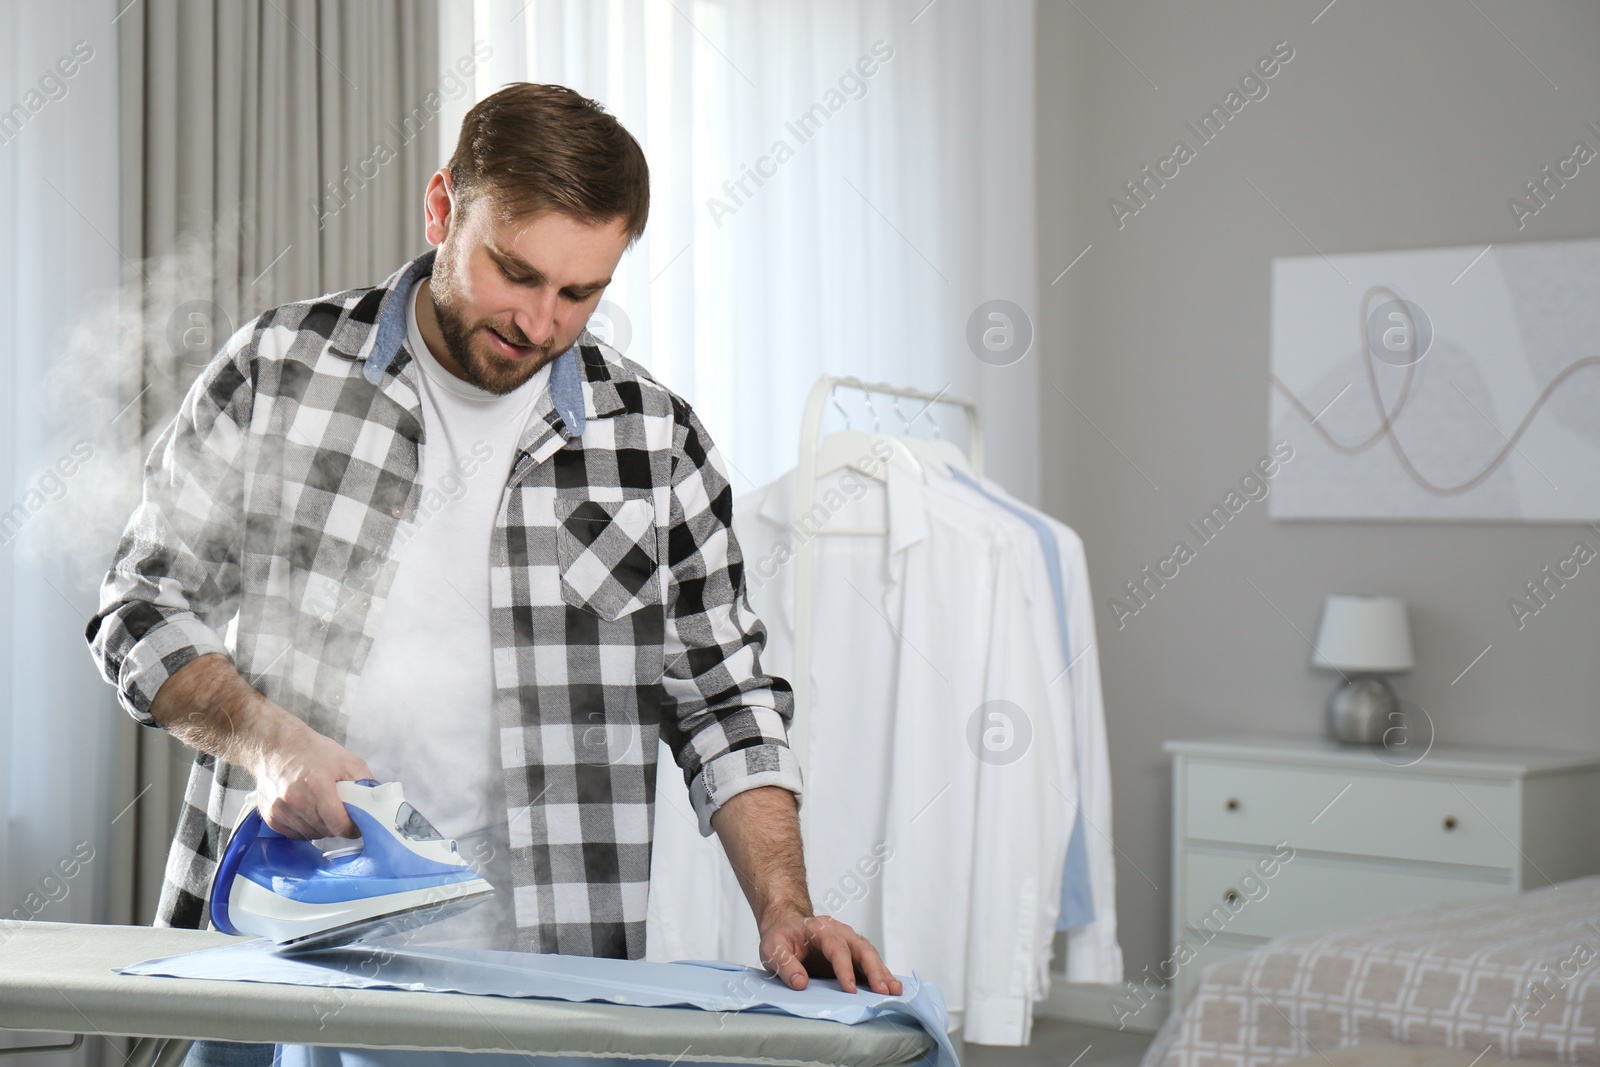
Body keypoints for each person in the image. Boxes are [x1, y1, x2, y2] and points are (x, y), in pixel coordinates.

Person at [86, 83, 899, 1067]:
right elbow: (138, 604)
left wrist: (785, 906)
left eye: (580, 292)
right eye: (515, 273)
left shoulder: (651, 440)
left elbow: (725, 696)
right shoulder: (281, 370)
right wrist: (270, 746)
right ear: (442, 209)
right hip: (284, 943)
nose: (541, 322)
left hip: (540, 970)